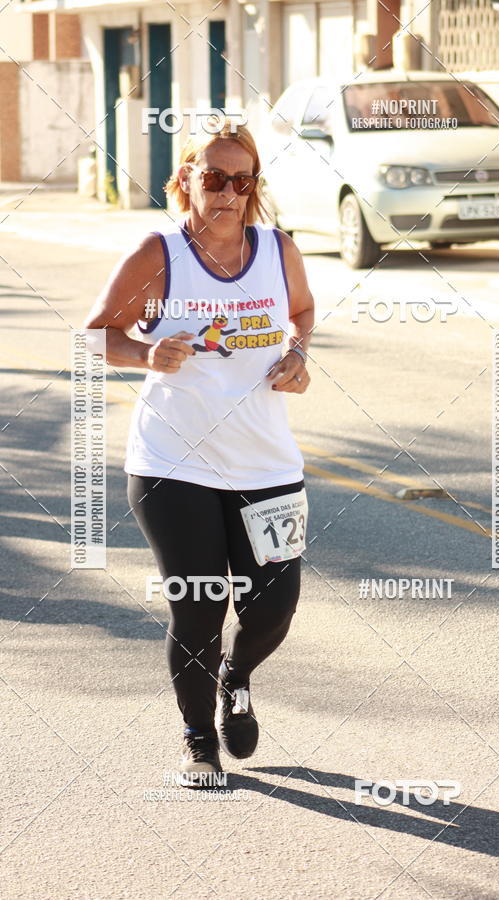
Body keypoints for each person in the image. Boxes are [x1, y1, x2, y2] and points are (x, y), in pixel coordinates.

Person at [84, 119, 314, 786]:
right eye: (213, 178)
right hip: (172, 465)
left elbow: (301, 313)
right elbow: (96, 335)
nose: (228, 193)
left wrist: (298, 354)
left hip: (268, 464)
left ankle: (235, 679)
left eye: (242, 181)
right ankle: (196, 741)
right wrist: (143, 352)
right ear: (184, 180)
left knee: (274, 606)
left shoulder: (277, 250)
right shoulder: (159, 255)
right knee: (200, 603)